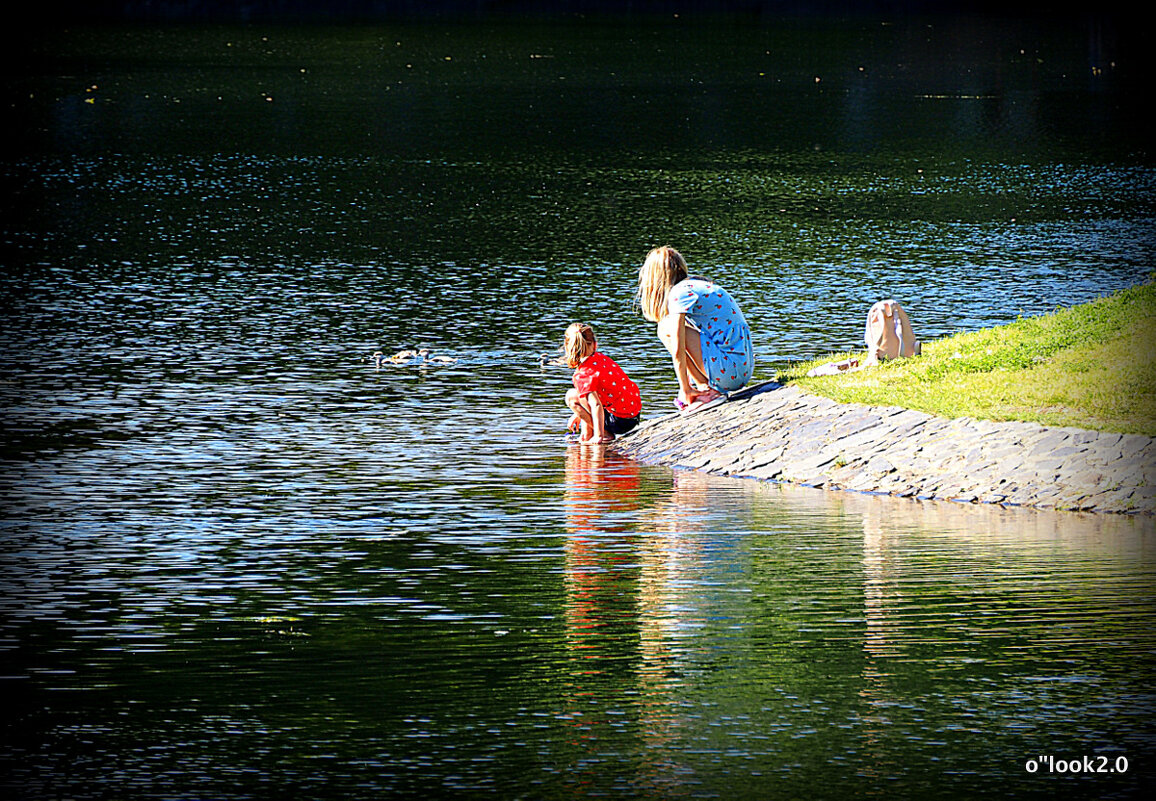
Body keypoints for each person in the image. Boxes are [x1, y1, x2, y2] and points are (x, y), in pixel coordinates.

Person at [636, 245, 754, 413]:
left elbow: (678, 348)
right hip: (739, 367)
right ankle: (701, 386)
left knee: (665, 327)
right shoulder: (694, 285)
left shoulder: (679, 293)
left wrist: (685, 389)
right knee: (672, 326)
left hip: (731, 371)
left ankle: (704, 389)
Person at [563, 322, 642, 445]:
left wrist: (598, 436)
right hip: (632, 416)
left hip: (619, 422)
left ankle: (603, 434)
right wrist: (578, 414)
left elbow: (596, 405)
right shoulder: (602, 359)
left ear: (568, 348)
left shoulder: (583, 374)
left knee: (571, 396)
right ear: (595, 344)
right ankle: (586, 435)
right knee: (582, 394)